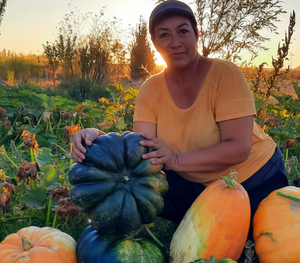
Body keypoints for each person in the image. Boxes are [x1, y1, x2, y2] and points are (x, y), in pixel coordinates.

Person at [72, 0, 288, 257]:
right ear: (154, 43)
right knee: (144, 191)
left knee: (263, 246)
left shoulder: (224, 74)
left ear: (196, 34)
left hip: (251, 178)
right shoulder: (151, 89)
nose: (175, 42)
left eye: (183, 31)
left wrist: (175, 159)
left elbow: (238, 148)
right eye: (164, 35)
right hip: (195, 182)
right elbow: (141, 148)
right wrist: (100, 139)